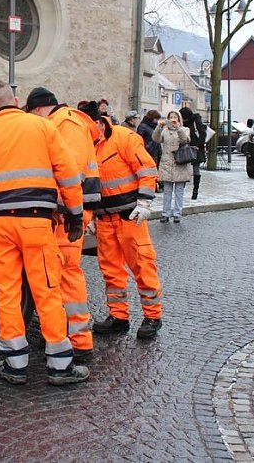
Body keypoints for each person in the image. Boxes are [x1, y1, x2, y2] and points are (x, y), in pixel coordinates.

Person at [0, 80, 89, 386]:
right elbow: (67, 174)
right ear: (15, 100)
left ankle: (15, 364)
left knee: (7, 292)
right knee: (46, 290)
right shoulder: (42, 127)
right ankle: (60, 366)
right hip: (37, 223)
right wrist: (76, 213)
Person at [24, 87, 101, 361]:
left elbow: (70, 171)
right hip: (70, 211)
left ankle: (78, 342)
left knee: (65, 274)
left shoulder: (65, 123)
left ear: (39, 109)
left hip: (68, 214)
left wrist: (59, 209)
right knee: (61, 274)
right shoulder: (65, 122)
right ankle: (69, 338)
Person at [77, 101, 163, 340]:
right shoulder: (85, 146)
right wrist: (90, 214)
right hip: (104, 220)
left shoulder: (124, 138)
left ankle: (152, 316)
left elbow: (146, 169)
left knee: (142, 266)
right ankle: (118, 316)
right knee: (111, 272)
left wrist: (144, 202)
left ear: (97, 122)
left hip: (130, 218)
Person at [152, 110, 192, 223]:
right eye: (171, 117)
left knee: (179, 191)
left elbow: (185, 140)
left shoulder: (185, 130)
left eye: (175, 117)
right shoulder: (165, 130)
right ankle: (165, 214)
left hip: (180, 163)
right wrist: (158, 128)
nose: (173, 119)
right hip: (167, 163)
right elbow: (155, 139)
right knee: (167, 191)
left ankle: (177, 214)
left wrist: (178, 128)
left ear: (179, 119)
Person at [179, 107, 207, 200]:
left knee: (196, 170)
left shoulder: (196, 120)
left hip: (196, 149)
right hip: (185, 148)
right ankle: (180, 191)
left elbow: (202, 133)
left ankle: (195, 191)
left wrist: (198, 145)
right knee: (183, 169)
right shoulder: (182, 123)